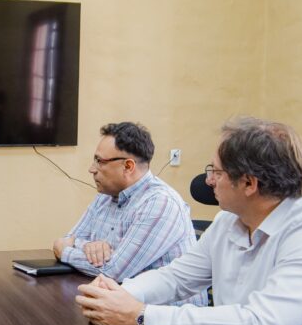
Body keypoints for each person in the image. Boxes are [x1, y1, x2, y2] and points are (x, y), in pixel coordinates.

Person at [75, 117, 302, 325]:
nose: (208, 180)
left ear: (249, 183)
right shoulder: (228, 221)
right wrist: (118, 294)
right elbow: (176, 278)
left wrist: (140, 315)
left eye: (216, 172)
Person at [54, 122, 206, 305]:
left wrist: (64, 251)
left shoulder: (159, 202)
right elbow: (70, 238)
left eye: (100, 161)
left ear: (128, 166)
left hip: (164, 315)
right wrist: (87, 245)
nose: (92, 169)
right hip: (119, 305)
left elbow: (113, 272)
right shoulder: (105, 196)